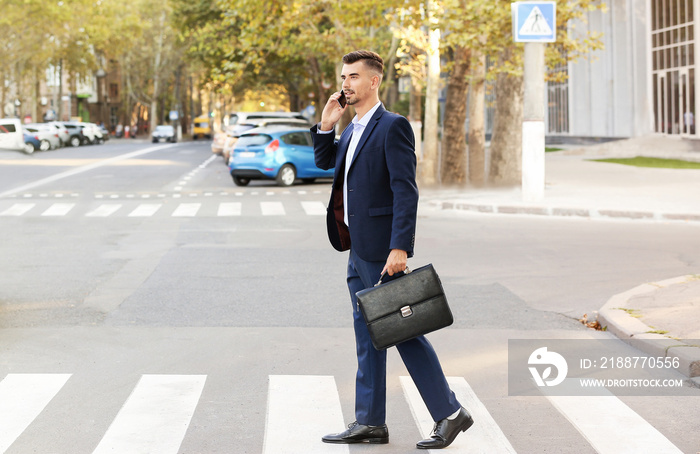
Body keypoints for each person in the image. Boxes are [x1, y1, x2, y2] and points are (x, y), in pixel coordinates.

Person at [311, 50, 473, 450]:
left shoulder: (392, 126)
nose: (345, 83)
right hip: (357, 248)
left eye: (353, 76)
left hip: (383, 250)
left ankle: (450, 412)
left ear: (373, 82)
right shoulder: (351, 129)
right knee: (369, 335)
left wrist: (400, 247)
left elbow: (406, 190)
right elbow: (327, 163)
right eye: (343, 76)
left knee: (403, 332)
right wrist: (327, 125)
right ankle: (370, 421)